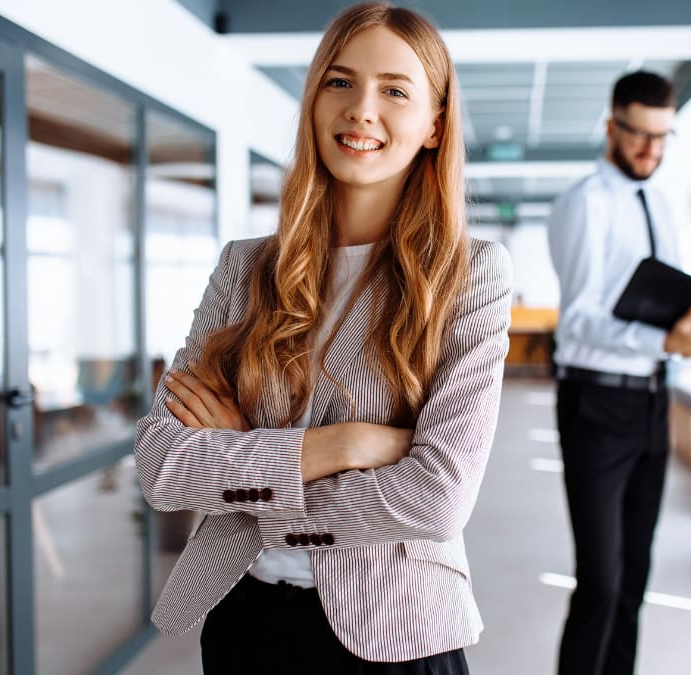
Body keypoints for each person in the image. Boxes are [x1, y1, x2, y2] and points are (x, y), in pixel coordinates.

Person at [134, 4, 512, 672]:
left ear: (434, 124)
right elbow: (163, 466)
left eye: (394, 90)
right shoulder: (244, 268)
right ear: (313, 102)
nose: (362, 109)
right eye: (339, 82)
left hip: (396, 629)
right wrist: (343, 445)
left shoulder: (471, 274)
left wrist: (246, 469)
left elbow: (435, 498)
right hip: (245, 619)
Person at [546, 70, 691, 675]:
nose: (650, 150)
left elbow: (666, 302)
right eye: (638, 135)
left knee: (635, 579)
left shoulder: (663, 200)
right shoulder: (586, 202)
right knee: (602, 582)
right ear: (612, 127)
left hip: (652, 400)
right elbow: (578, 321)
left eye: (662, 138)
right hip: (596, 404)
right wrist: (666, 337)